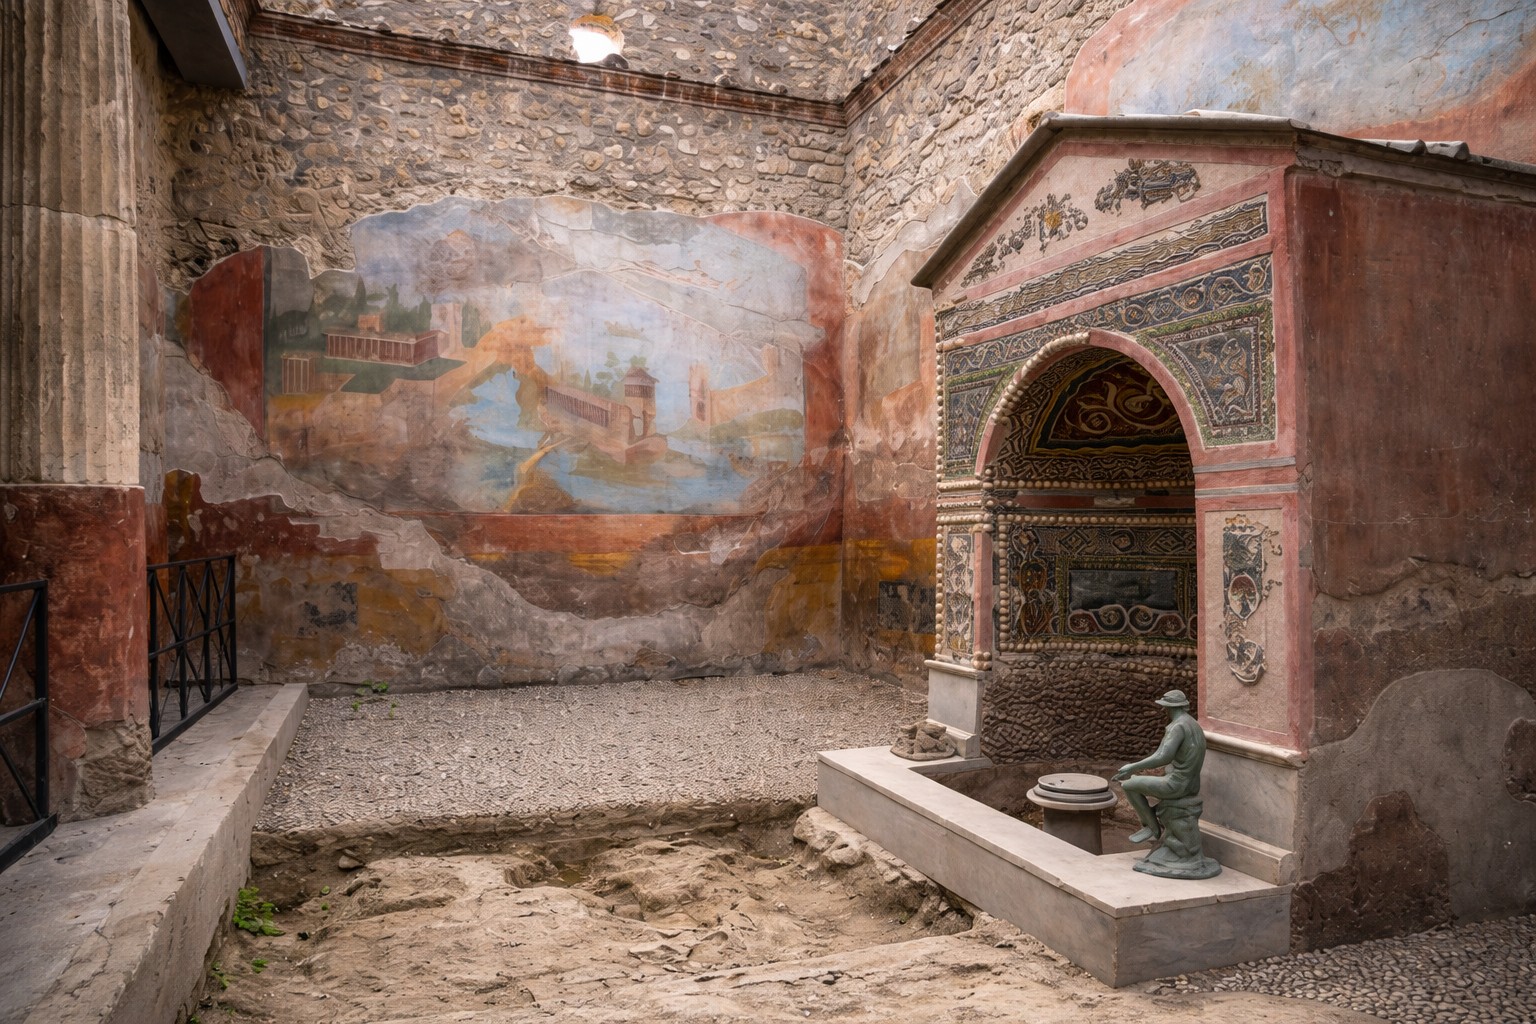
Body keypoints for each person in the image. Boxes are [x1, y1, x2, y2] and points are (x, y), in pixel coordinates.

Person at [1113, 689, 1205, 844]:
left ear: (1169, 707)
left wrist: (1132, 767)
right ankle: (1156, 817)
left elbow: (1163, 756)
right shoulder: (1193, 724)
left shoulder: (1177, 727)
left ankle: (1152, 827)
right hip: (1191, 784)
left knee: (1129, 785)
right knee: (1138, 780)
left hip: (1176, 784)